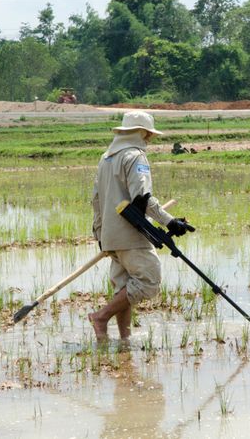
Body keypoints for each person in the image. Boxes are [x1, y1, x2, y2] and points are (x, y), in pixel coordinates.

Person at [89, 111, 189, 341]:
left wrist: (100, 234)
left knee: (123, 287)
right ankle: (100, 317)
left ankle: (124, 338)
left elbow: (96, 200)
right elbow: (142, 198)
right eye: (148, 135)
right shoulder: (135, 157)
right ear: (142, 133)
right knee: (148, 282)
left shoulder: (106, 158)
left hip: (110, 235)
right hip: (131, 234)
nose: (149, 140)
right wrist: (169, 221)